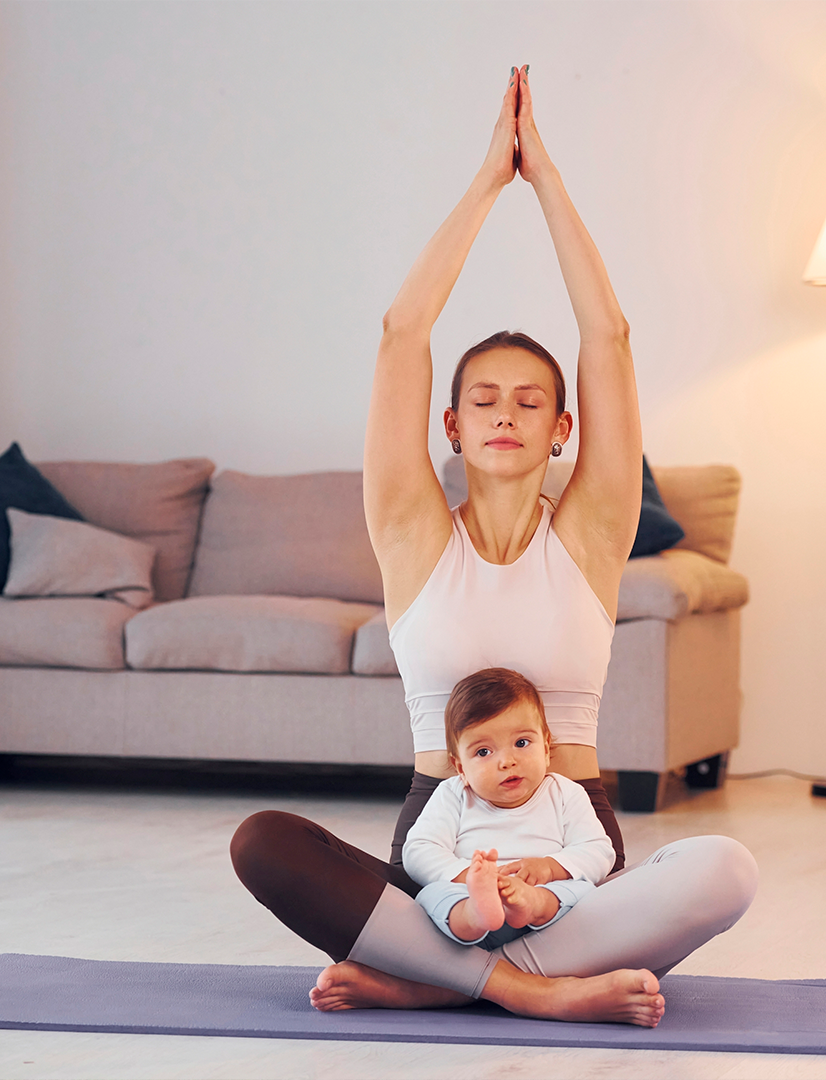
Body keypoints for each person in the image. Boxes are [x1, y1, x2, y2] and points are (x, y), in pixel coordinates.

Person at [229, 65, 757, 1029]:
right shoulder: (411, 532)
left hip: (570, 840)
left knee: (725, 869)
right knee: (264, 841)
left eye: (530, 401)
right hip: (445, 847)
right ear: (451, 426)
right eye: (484, 399)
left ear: (564, 430)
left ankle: (429, 981)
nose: (506, 413)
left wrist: (545, 179)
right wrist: (486, 182)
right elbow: (402, 333)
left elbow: (611, 338)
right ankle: (528, 989)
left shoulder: (595, 533)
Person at [406, 668, 614, 949]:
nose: (507, 761)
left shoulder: (565, 793)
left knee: (584, 891)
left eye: (521, 743)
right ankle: (474, 915)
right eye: (483, 752)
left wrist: (551, 867)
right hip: (469, 895)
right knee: (430, 895)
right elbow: (419, 849)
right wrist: (467, 876)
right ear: (460, 768)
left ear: (545, 747)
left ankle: (533, 904)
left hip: (545, 908)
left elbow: (598, 850)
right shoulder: (453, 795)